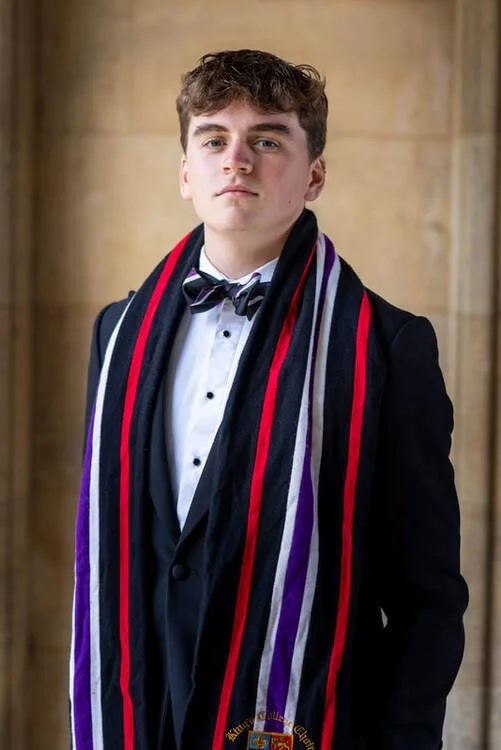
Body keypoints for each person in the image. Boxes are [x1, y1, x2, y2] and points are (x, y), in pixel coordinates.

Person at [69, 49, 468, 750]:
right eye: (213, 138)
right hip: (138, 715)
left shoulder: (387, 347)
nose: (237, 160)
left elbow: (425, 603)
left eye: (267, 139)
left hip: (301, 724)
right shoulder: (116, 332)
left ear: (313, 175)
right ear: (185, 172)